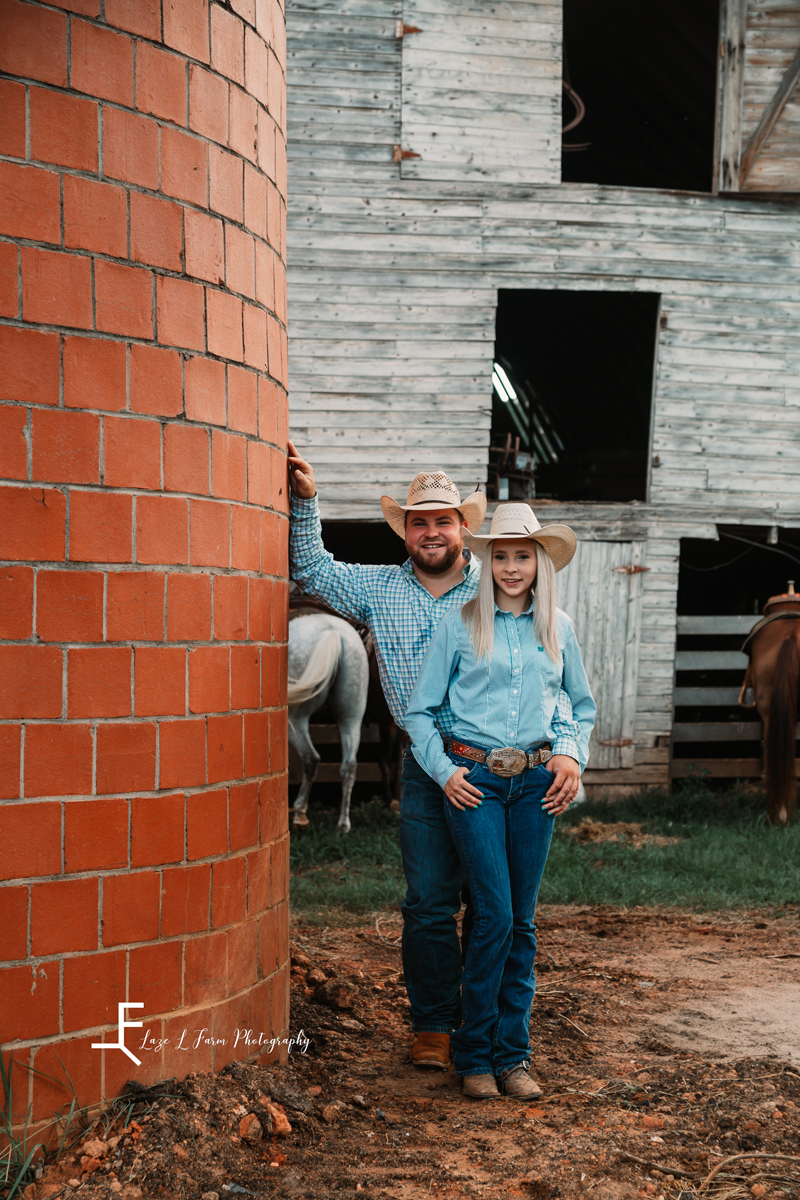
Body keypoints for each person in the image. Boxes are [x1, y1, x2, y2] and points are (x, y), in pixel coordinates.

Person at [287, 446, 586, 1070]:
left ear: (462, 529)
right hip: (428, 769)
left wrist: (566, 751)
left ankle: (492, 1035)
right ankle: (434, 1025)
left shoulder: (498, 588)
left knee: (494, 905)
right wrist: (308, 499)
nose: (431, 532)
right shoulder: (377, 588)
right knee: (427, 901)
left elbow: (556, 684)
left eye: (443, 520)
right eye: (419, 521)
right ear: (407, 531)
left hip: (496, 764)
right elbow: (311, 570)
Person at [404, 503, 596, 1099]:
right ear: (486, 563)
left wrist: (571, 755)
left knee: (522, 921)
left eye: (523, 556)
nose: (512, 568)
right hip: (476, 782)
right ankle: (474, 1055)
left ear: (540, 563)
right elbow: (420, 711)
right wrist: (444, 771)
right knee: (493, 914)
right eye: (502, 557)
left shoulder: (557, 628)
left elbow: (577, 706)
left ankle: (514, 1056)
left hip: (535, 784)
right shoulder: (461, 624)